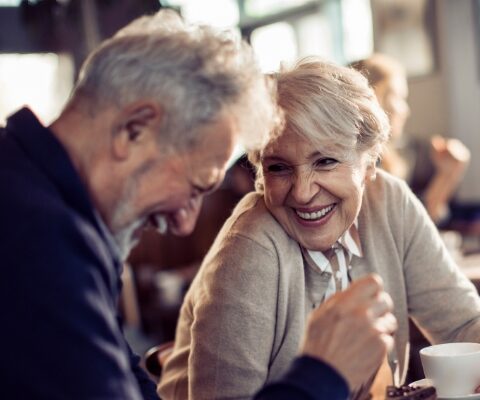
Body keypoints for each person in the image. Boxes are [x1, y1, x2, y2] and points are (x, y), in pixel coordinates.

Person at [0, 11, 395, 400]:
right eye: (194, 187)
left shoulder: (44, 199)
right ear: (135, 130)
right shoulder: (37, 242)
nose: (185, 223)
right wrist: (323, 373)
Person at [159, 58, 480, 400]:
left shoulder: (390, 201)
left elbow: (459, 318)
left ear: (370, 164)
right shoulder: (250, 247)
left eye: (325, 162)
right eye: (279, 167)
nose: (302, 193)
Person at [352, 53, 470, 224]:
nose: (405, 110)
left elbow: (415, 229)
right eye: (398, 97)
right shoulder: (362, 166)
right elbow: (404, 231)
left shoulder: (390, 160)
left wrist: (447, 174)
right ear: (373, 99)